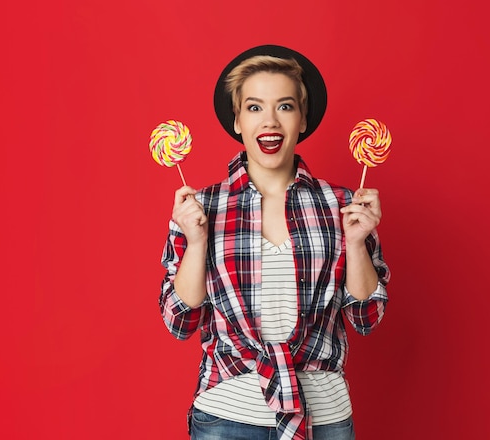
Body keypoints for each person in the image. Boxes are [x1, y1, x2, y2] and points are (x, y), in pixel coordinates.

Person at [158, 45, 390, 440]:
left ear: (302, 119)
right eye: (254, 108)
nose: (270, 121)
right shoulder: (201, 207)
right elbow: (180, 322)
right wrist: (196, 242)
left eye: (284, 106)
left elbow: (365, 319)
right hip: (227, 418)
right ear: (236, 121)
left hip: (326, 418)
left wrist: (355, 242)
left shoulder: (344, 205)